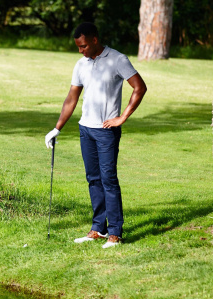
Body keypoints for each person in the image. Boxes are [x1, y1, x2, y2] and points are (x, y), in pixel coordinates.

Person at [45, 22, 147, 248]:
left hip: (106, 132)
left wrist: (123, 117)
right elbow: (71, 99)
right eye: (78, 47)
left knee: (109, 180)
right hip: (85, 130)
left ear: (94, 40)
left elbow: (139, 87)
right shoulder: (81, 64)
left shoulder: (118, 59)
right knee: (93, 179)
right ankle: (98, 228)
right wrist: (57, 128)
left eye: (83, 46)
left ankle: (115, 233)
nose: (80, 51)